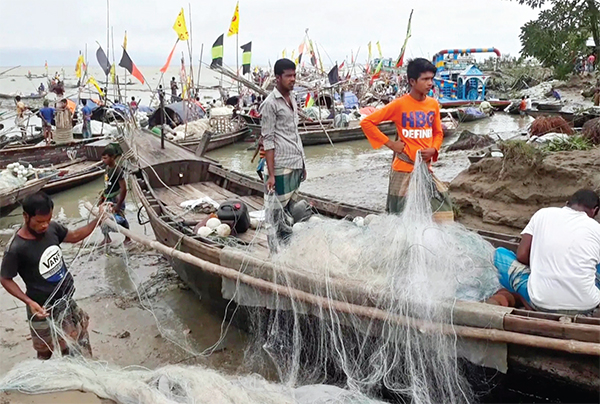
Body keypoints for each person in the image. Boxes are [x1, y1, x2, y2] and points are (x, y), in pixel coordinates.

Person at [0, 192, 105, 359]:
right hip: (40, 307)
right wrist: (29, 302)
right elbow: (5, 279)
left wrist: (98, 219)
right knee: (44, 351)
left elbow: (76, 236)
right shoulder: (16, 248)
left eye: (48, 220)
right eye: (40, 222)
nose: (44, 226)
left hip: (65, 300)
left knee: (74, 347)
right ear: (26, 216)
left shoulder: (53, 229)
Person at [360, 58, 453, 222]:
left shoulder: (433, 105)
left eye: (431, 79)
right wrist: (391, 144)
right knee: (400, 218)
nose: (430, 83)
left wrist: (434, 149)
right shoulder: (399, 105)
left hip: (424, 170)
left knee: (440, 213)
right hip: (403, 170)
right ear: (412, 81)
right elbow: (367, 122)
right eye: (425, 79)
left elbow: (438, 133)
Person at [491, 189, 600, 315]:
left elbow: (521, 256)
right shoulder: (596, 228)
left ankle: (527, 297)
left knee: (499, 254)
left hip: (541, 302)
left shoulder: (543, 214)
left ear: (567, 204)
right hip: (586, 306)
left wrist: (541, 264)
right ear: (595, 210)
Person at [261, 58, 308, 247]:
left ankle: (287, 249)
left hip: (295, 163)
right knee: (274, 215)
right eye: (288, 76)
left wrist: (303, 163)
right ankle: (275, 255)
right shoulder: (270, 104)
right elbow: (268, 140)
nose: (293, 79)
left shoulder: (292, 99)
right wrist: (271, 174)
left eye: (294, 75)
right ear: (278, 78)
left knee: (289, 212)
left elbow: (294, 134)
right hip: (280, 166)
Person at [99, 146, 131, 246]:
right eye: (103, 158)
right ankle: (107, 238)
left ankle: (128, 237)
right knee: (102, 217)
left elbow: (123, 188)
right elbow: (107, 184)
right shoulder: (107, 168)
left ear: (113, 157)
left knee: (120, 218)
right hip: (107, 197)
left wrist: (119, 204)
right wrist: (102, 197)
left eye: (106, 158)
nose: (103, 160)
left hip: (116, 198)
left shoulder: (117, 171)